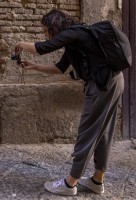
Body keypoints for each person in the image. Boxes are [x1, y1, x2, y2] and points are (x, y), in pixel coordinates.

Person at [14, 9, 124, 196]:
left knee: (87, 132)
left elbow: (43, 47)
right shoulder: (76, 38)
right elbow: (60, 68)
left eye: (45, 29)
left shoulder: (73, 33)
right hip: (113, 81)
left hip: (101, 85)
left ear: (53, 26)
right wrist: (33, 66)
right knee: (103, 132)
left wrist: (20, 44)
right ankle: (97, 180)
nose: (44, 33)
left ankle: (70, 183)